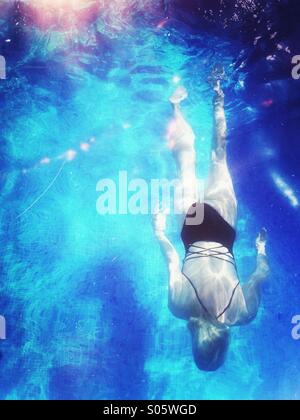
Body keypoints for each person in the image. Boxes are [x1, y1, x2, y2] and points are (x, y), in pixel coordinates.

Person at [153, 68, 270, 372]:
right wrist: (159, 231)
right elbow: (170, 258)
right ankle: (176, 107)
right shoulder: (178, 307)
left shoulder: (243, 314)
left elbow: (261, 274)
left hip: (223, 229)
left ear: (225, 344)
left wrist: (260, 249)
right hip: (190, 232)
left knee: (219, 155)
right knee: (185, 165)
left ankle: (217, 95)